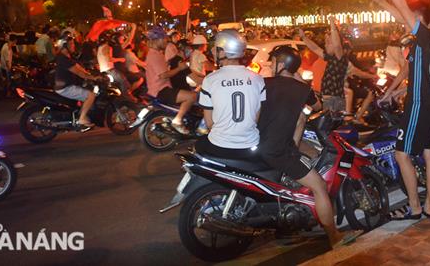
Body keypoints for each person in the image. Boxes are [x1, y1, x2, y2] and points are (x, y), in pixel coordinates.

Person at [257, 46, 359, 248]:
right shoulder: (301, 89)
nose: (270, 64)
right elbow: (318, 107)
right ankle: (334, 237)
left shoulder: (263, 84)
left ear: (280, 64)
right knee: (319, 186)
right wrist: (299, 85)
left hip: (258, 144)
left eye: (273, 61)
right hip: (277, 150)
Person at [373, 0, 430, 219]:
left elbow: (401, 7)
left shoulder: (423, 38)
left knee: (402, 154)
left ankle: (415, 207)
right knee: (427, 153)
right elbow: (421, 76)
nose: (405, 21)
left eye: (410, 18)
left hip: (418, 104)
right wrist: (380, 1)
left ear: (420, 18)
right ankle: (428, 206)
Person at [195, 29, 266, 157]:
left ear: (223, 52)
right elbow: (256, 118)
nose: (212, 51)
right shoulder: (258, 79)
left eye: (215, 49)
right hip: (250, 143)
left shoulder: (210, 80)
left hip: (220, 145)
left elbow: (209, 123)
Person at [145, 27, 196, 135]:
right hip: (161, 90)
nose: (166, 41)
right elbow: (164, 75)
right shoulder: (155, 55)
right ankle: (177, 120)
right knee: (192, 96)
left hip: (161, 88)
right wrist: (179, 68)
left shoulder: (155, 54)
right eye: (164, 39)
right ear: (157, 40)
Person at [299, 17, 347, 112]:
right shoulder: (329, 57)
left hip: (335, 101)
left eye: (329, 43)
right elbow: (315, 48)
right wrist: (304, 37)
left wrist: (332, 24)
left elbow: (337, 45)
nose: (325, 45)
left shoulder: (339, 57)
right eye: (325, 42)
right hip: (327, 99)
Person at [54, 36, 101, 128]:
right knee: (91, 95)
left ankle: (81, 114)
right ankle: (82, 119)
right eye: (71, 44)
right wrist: (93, 78)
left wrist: (90, 73)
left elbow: (79, 67)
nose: (73, 46)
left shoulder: (66, 57)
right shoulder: (63, 59)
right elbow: (79, 73)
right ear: (64, 46)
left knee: (86, 90)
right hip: (65, 88)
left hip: (67, 85)